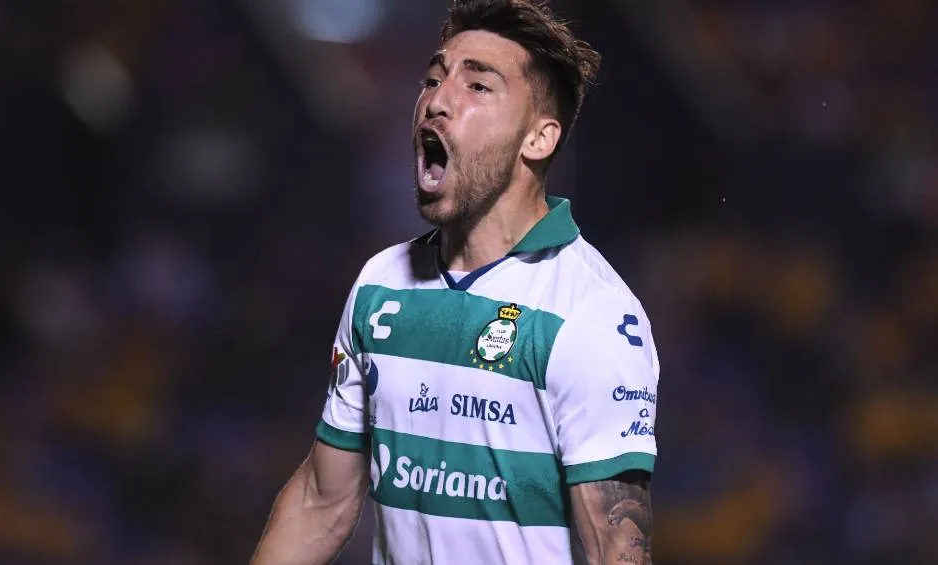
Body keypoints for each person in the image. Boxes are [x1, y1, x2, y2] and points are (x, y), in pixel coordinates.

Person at [250, 1, 659, 563]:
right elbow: (322, 501)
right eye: (434, 80)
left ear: (538, 139)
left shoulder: (590, 312)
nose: (436, 101)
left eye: (479, 87)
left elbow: (616, 545)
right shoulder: (381, 285)